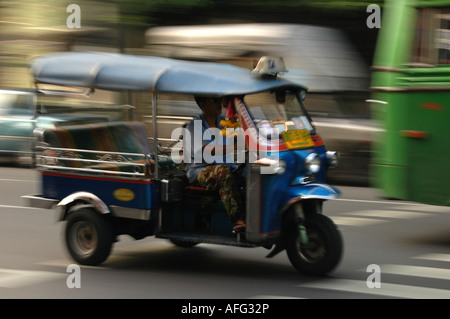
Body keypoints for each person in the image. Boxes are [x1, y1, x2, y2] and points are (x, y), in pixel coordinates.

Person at [184, 96, 246, 233]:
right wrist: (236, 146)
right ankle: (238, 221)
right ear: (203, 104)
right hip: (200, 171)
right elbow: (207, 152)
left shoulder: (223, 122)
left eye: (220, 100)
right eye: (214, 101)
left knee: (250, 173)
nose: (219, 104)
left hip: (226, 167)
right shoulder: (195, 126)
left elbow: (240, 135)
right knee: (223, 171)